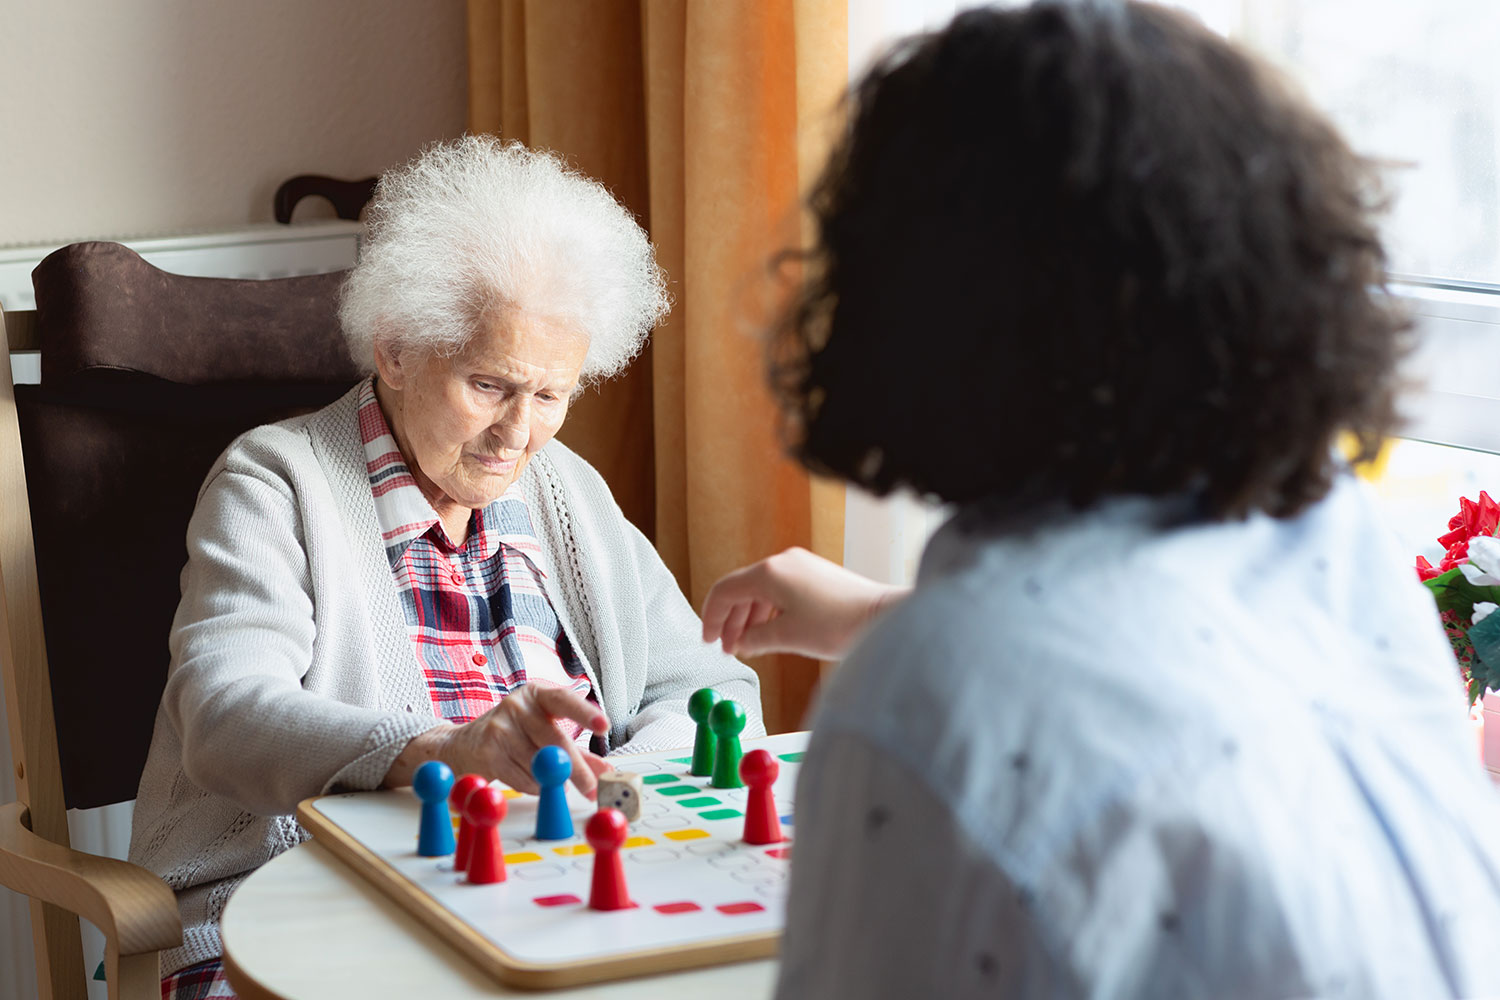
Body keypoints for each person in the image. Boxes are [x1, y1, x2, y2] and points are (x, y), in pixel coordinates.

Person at [705, 4, 1500, 997]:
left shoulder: (927, 696)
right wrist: (878, 616)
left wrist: (907, 639)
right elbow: (1157, 676)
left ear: (908, 302)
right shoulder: (1330, 537)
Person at [130, 136, 763, 994]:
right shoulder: (276, 482)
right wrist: (437, 751)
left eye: (551, 395)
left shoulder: (566, 488)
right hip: (295, 916)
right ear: (395, 347)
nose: (518, 434)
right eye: (490, 385)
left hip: (544, 910)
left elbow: (712, 687)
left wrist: (620, 783)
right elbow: (224, 713)